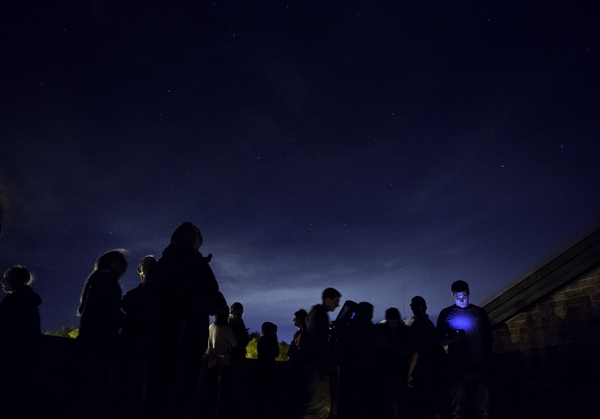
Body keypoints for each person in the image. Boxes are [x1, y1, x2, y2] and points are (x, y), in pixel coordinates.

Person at [148, 222, 227, 418]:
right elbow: (177, 294)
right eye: (191, 231)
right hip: (174, 342)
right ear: (180, 236)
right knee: (165, 400)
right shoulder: (172, 259)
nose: (197, 233)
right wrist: (207, 302)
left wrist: (209, 301)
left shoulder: (198, 262)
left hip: (192, 343)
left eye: (198, 231)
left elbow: (216, 296)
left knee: (184, 400)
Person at [77, 250, 128, 416]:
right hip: (101, 348)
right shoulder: (108, 283)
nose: (123, 270)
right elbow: (110, 316)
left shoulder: (94, 281)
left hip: (88, 345)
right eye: (121, 265)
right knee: (97, 394)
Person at [436, 281, 493, 419]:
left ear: (468, 293)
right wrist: (453, 339)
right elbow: (438, 341)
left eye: (464, 296)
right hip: (457, 368)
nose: (461, 300)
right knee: (456, 412)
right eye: (457, 297)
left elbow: (488, 339)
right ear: (452, 295)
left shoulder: (479, 312)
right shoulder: (446, 314)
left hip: (478, 366)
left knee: (483, 412)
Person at [118, 256, 161, 418]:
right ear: (139, 269)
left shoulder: (159, 292)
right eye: (147, 263)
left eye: (153, 263)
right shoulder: (133, 294)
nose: (150, 265)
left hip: (147, 352)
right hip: (131, 350)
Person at [0, 265, 43, 416]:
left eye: (5, 278)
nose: (2, 281)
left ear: (13, 280)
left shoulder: (11, 302)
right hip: (29, 360)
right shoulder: (31, 303)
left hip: (11, 360)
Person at [303, 287, 341, 419]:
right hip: (318, 366)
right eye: (336, 301)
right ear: (328, 299)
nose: (338, 304)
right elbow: (320, 341)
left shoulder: (314, 312)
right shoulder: (321, 315)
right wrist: (324, 365)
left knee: (314, 405)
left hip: (313, 364)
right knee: (319, 407)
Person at [407, 296, 445, 419]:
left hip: (423, 372)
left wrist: (409, 373)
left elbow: (416, 352)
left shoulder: (416, 326)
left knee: (425, 406)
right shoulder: (429, 325)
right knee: (436, 404)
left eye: (412, 305)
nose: (411, 307)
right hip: (435, 370)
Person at [375, 307, 410, 419]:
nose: (392, 326)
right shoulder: (383, 330)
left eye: (394, 323)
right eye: (390, 323)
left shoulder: (404, 332)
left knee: (400, 401)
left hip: (400, 371)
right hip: (388, 372)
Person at [207, 307, 237, 419]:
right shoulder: (226, 328)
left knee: (212, 391)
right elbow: (234, 343)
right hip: (223, 363)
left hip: (211, 362)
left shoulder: (211, 327)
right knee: (222, 392)